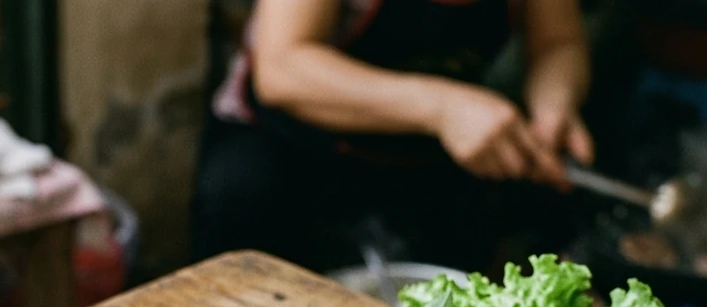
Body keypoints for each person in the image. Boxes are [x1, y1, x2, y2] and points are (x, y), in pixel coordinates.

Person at [192, 0, 593, 271]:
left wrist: (552, 109)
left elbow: (559, 43)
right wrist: (442, 108)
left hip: (423, 156)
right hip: (287, 149)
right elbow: (282, 69)